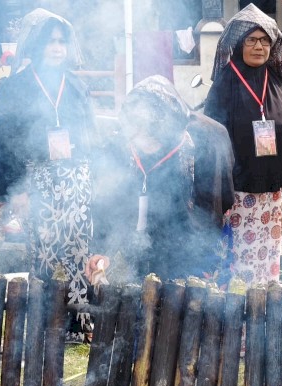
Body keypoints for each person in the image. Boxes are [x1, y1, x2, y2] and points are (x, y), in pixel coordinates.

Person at [0, 8, 102, 344]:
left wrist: (95, 176)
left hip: (77, 177)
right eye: (49, 41)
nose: (56, 47)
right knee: (44, 252)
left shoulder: (77, 86)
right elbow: (5, 141)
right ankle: (46, 321)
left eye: (61, 41)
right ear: (36, 45)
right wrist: (14, 189)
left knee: (80, 248)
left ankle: (81, 322)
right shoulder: (16, 87)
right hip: (36, 180)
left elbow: (90, 134)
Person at [95, 75, 235, 281]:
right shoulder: (121, 142)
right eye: (137, 134)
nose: (144, 142)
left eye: (153, 136)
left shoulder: (208, 140)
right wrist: (102, 250)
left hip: (196, 241)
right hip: (146, 242)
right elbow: (112, 201)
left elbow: (218, 204)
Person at [204, 4, 282, 285]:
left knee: (266, 265)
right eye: (252, 39)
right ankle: (234, 326)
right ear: (238, 43)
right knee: (235, 269)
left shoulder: (276, 81)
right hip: (235, 196)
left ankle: (262, 319)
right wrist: (215, 197)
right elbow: (210, 143)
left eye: (265, 40)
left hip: (272, 198)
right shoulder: (224, 84)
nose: (259, 46)